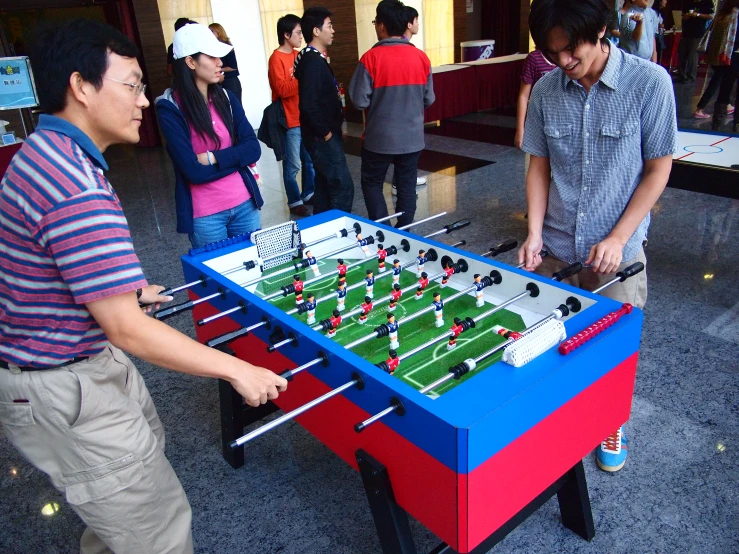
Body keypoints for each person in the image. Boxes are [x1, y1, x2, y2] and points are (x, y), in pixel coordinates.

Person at [0, 19, 286, 553]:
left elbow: (53, 270)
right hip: (64, 382)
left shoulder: (48, 154)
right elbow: (128, 332)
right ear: (82, 87)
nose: (143, 99)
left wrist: (126, 293)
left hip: (68, 369)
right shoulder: (74, 184)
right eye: (131, 84)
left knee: (119, 525)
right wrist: (236, 368)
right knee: (156, 534)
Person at [519, 0, 677, 472]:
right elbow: (538, 167)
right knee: (549, 337)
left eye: (572, 50)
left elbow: (658, 170)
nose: (564, 62)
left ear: (603, 30)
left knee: (611, 348)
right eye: (553, 53)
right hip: (556, 245)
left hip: (618, 252)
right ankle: (558, 415)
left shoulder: (650, 83)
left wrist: (617, 236)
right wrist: (532, 231)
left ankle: (609, 420)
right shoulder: (548, 89)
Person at [156, 23, 264, 249]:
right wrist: (236, 159)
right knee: (216, 281)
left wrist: (212, 157)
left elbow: (253, 149)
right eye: (212, 56)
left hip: (245, 204)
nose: (220, 63)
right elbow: (193, 171)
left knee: (255, 277)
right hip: (206, 217)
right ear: (190, 62)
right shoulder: (171, 108)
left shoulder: (226, 97)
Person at [349, 0, 434, 228]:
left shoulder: (370, 59)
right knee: (406, 185)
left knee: (372, 183)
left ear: (382, 26)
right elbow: (429, 99)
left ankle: (382, 232)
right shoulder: (421, 58)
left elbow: (358, 100)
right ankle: (404, 230)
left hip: (379, 140)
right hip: (412, 139)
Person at [294, 6, 355, 214]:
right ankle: (338, 233)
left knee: (323, 186)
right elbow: (308, 105)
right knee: (343, 187)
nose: (333, 30)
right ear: (316, 31)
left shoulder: (312, 58)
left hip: (321, 136)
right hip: (322, 138)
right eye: (329, 26)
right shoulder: (312, 62)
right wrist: (327, 133)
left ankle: (321, 231)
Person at [268, 14, 316, 216]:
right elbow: (281, 89)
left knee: (310, 161)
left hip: (304, 117)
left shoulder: (299, 55)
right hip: (289, 120)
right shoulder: (276, 58)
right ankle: (295, 201)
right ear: (286, 34)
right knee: (293, 165)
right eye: (297, 33)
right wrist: (303, 78)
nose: (301, 36)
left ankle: (308, 194)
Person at [393, 4, 427, 188]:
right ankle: (401, 182)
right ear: (408, 23)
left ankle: (403, 181)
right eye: (416, 21)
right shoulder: (408, 50)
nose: (418, 24)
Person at [694, 0, 738, 129]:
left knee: (720, 81)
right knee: (719, 82)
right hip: (726, 55)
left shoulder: (722, 14)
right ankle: (701, 108)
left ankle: (727, 106)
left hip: (715, 54)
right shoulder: (734, 16)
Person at [514, 49, 556, 149]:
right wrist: (520, 130)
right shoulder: (534, 58)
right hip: (540, 121)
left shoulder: (570, 57)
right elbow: (523, 96)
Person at [676, 0, 714, 83]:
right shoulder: (688, 3)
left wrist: (697, 15)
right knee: (681, 53)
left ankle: (691, 76)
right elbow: (682, 14)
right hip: (686, 32)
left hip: (697, 33)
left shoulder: (707, 3)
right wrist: (685, 16)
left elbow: (711, 16)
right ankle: (681, 75)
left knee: (692, 55)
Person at [209, 23, 242, 102]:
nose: (209, 33)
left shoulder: (227, 47)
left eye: (212, 31)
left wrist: (220, 69)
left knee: (235, 106)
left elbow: (233, 67)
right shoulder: (212, 47)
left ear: (218, 32)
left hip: (230, 81)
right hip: (220, 82)